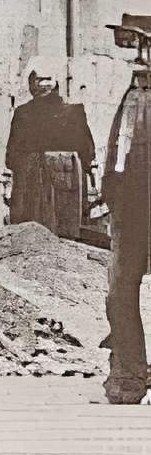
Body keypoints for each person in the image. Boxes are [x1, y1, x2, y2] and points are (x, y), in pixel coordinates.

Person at [100, 56, 149, 407]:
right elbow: (116, 153)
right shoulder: (131, 98)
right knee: (119, 292)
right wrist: (111, 198)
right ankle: (128, 376)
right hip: (130, 208)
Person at [4, 67, 96, 239]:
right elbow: (88, 151)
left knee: (39, 228)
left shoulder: (73, 111)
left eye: (46, 79)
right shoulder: (23, 113)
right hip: (49, 176)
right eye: (39, 80)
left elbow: (11, 156)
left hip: (47, 178)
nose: (43, 84)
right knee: (60, 230)